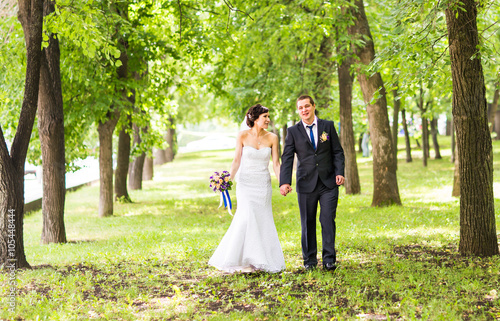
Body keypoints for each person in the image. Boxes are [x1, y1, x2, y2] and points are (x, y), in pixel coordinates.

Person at [208, 104, 285, 273]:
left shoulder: (272, 138)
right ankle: (242, 258)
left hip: (263, 185)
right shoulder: (242, 136)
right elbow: (236, 160)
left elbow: (276, 164)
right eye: (265, 116)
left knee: (262, 219)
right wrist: (227, 180)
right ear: (255, 118)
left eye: (268, 116)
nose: (268, 119)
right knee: (247, 216)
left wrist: (282, 183)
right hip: (245, 184)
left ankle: (261, 259)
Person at [280, 95, 345, 272]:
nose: (304, 110)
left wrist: (339, 172)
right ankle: (309, 260)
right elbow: (287, 158)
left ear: (314, 106)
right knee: (307, 222)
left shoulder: (327, 127)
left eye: (307, 106)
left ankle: (329, 260)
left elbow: (337, 152)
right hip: (306, 183)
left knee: (327, 220)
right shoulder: (293, 131)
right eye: (300, 108)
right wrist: (284, 181)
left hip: (328, 183)